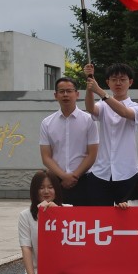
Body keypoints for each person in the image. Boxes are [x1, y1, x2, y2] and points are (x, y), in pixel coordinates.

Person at [16, 170, 79, 274]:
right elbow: (26, 247)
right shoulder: (25, 216)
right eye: (41, 187)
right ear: (34, 190)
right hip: (40, 270)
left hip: (65, 268)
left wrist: (58, 213)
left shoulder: (69, 209)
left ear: (56, 189)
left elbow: (74, 242)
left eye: (50, 187)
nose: (46, 191)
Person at [82, 62, 138, 206]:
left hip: (127, 172)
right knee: (100, 215)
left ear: (130, 82)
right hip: (101, 172)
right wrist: (90, 84)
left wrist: (100, 91)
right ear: (108, 82)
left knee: (127, 215)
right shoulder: (102, 105)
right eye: (114, 79)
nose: (118, 83)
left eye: (122, 79)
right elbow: (90, 108)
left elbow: (124, 112)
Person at [39, 77, 99, 207]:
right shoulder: (47, 123)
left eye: (69, 91)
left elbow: (92, 154)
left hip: (84, 179)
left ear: (77, 94)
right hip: (57, 181)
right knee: (57, 216)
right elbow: (46, 157)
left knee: (83, 217)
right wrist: (64, 176)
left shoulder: (89, 120)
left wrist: (74, 176)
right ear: (56, 95)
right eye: (61, 91)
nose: (65, 94)